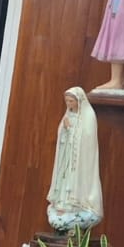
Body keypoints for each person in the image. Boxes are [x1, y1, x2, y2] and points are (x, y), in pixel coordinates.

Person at [46, 87, 103, 233]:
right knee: (64, 179)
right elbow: (62, 136)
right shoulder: (68, 115)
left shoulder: (88, 116)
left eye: (71, 101)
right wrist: (65, 130)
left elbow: (86, 140)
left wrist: (70, 130)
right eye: (67, 101)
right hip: (67, 158)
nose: (69, 104)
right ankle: (62, 205)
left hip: (80, 162)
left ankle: (76, 205)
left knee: (75, 180)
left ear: (79, 101)